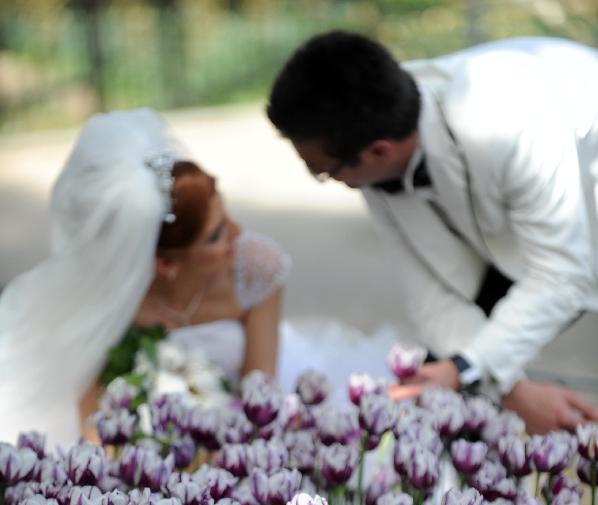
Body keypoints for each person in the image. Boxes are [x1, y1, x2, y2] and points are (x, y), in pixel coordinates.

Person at [267, 31, 598, 434]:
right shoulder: (373, 134)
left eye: (325, 172)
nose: (330, 181)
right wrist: (507, 388)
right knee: (450, 391)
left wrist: (471, 369)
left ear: (378, 151)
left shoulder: (506, 118)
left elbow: (562, 275)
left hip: (583, 207)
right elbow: (430, 293)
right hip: (511, 236)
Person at [0, 108, 288, 447]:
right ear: (166, 264)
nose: (238, 235)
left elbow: (260, 397)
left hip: (232, 436)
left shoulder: (256, 267)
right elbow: (95, 432)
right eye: (216, 235)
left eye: (228, 215)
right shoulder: (109, 298)